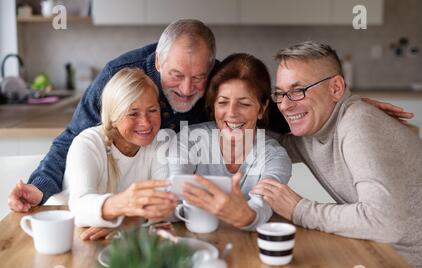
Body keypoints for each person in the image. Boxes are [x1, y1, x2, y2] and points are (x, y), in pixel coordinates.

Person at [8, 19, 410, 214]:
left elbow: (274, 115)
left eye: (198, 78)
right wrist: (40, 186)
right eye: (176, 77)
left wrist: (340, 106)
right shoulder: (122, 76)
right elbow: (76, 136)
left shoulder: (219, 85)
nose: (187, 89)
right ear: (157, 61)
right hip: (125, 205)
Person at [251, 41, 422, 268]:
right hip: (382, 257)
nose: (285, 105)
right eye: (280, 93)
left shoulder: (357, 123)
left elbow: (384, 222)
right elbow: (264, 148)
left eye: (298, 90)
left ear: (336, 89)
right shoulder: (312, 132)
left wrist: (299, 209)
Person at [47, 67, 178, 240]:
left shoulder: (162, 140)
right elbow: (79, 207)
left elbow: (167, 204)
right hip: (63, 232)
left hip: (115, 237)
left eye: (152, 110)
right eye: (133, 113)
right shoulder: (88, 143)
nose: (145, 123)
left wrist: (129, 221)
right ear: (113, 117)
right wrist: (125, 204)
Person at [168, 53, 292, 230]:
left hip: (249, 247)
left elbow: (262, 208)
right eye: (223, 102)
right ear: (213, 105)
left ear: (262, 108)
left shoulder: (274, 157)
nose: (232, 113)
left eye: (244, 103)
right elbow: (173, 197)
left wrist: (246, 215)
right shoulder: (188, 140)